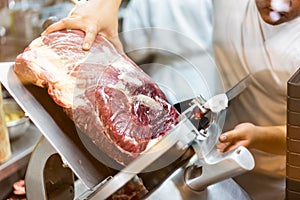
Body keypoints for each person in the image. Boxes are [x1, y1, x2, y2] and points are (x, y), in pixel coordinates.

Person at [42, 0, 300, 199]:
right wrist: (103, 5)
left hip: (280, 173)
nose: (277, 4)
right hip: (220, 154)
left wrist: (259, 136)